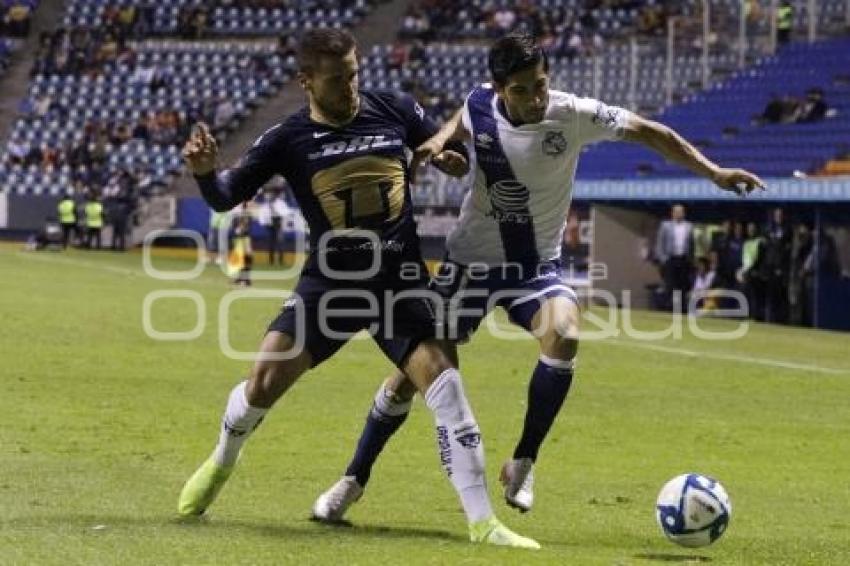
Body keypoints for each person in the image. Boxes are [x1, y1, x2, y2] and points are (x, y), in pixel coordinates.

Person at [311, 32, 764, 523]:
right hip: (470, 267)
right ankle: (353, 479)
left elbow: (651, 132)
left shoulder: (572, 114)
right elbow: (463, 118)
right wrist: (440, 140)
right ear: (499, 88)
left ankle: (523, 462)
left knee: (565, 333)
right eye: (522, 90)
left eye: (541, 85)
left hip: (534, 269)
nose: (536, 98)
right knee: (409, 378)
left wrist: (714, 171)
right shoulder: (479, 103)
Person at [178, 27, 539, 549]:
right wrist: (208, 174)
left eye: (353, 74)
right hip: (331, 283)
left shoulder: (392, 108)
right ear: (306, 80)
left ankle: (483, 523)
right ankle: (221, 460)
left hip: (400, 280)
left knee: (447, 386)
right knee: (261, 387)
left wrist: (445, 159)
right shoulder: (287, 139)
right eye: (335, 79)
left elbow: (436, 143)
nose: (349, 87)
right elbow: (225, 196)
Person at [655, 204, 695, 312]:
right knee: (670, 284)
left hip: (683, 259)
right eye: (676, 212)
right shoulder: (665, 225)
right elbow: (659, 243)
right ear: (672, 213)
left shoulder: (689, 226)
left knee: (682, 284)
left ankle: (681, 308)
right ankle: (669, 307)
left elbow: (692, 245)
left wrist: (690, 260)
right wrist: (663, 259)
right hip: (670, 259)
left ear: (684, 213)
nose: (678, 214)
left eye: (681, 212)